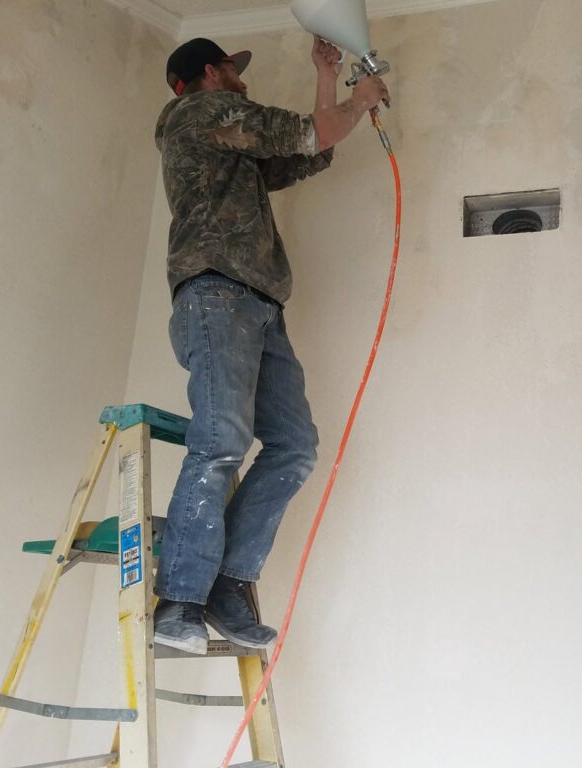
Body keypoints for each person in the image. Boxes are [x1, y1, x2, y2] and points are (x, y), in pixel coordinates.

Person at [152, 36, 389, 655]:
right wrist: (359, 101)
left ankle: (229, 582)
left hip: (258, 302)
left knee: (295, 447)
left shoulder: (228, 144)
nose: (242, 80)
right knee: (222, 439)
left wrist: (326, 77)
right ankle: (179, 598)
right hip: (217, 292)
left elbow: (311, 152)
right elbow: (305, 132)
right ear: (211, 72)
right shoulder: (198, 114)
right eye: (234, 70)